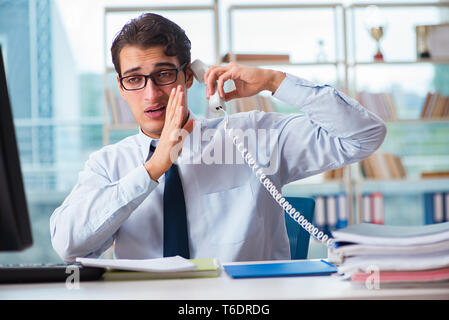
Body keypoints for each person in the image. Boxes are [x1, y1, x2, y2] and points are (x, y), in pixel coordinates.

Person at [50, 13, 386, 262]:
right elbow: (68, 245)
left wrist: (274, 80)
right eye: (135, 79)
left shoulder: (254, 137)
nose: (151, 94)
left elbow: (363, 135)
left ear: (190, 77)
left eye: (164, 74)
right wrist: (152, 169)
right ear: (122, 89)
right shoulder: (108, 164)